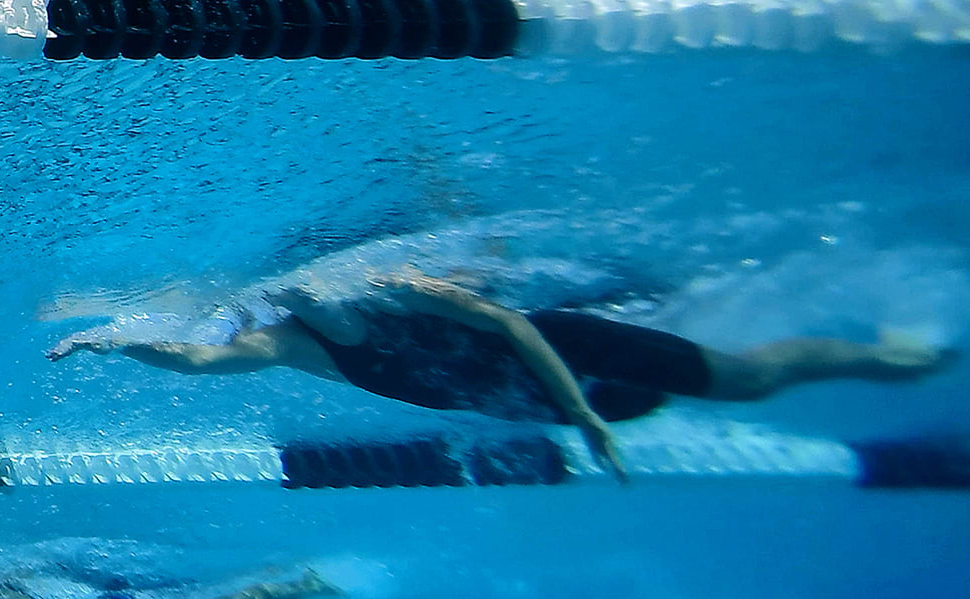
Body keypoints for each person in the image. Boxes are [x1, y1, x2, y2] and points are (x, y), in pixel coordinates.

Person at [47, 267, 951, 479]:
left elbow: (513, 327)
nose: (295, 313)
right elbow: (202, 357)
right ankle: (658, 295)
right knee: (659, 397)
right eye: (289, 307)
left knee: (747, 379)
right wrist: (114, 339)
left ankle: (896, 352)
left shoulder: (400, 288)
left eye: (303, 301)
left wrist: (578, 413)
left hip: (568, 358)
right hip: (562, 401)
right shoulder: (301, 343)